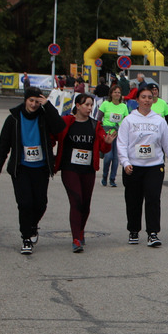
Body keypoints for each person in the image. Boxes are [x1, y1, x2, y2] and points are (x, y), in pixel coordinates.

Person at [0, 87, 67, 254]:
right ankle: (26, 238)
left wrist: (48, 106)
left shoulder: (44, 116)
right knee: (25, 204)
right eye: (31, 101)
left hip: (41, 168)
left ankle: (32, 226)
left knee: (40, 203)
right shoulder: (13, 119)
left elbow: (60, 127)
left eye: (37, 101)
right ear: (25, 100)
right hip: (21, 167)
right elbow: (3, 145)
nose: (34, 104)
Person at [116, 86, 168, 247]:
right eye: (143, 97)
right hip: (133, 167)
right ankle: (133, 230)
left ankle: (153, 233)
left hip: (154, 166)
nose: (147, 100)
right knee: (133, 200)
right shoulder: (129, 120)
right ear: (137, 100)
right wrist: (125, 162)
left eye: (150, 97)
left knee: (153, 199)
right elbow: (122, 143)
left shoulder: (159, 121)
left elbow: (167, 143)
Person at [51, 93, 114, 252]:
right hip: (69, 168)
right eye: (86, 104)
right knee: (76, 200)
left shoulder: (95, 125)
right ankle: (75, 239)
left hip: (87, 170)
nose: (89, 108)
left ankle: (80, 230)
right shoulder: (66, 122)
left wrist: (107, 144)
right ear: (77, 106)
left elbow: (103, 147)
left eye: (91, 105)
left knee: (85, 204)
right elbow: (53, 137)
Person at [100, 84, 129, 187]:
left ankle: (112, 179)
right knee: (108, 157)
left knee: (116, 158)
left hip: (119, 133)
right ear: (111, 94)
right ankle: (104, 176)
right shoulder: (105, 104)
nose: (117, 94)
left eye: (119, 92)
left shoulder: (124, 106)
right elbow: (99, 118)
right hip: (107, 133)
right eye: (115, 92)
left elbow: (126, 120)